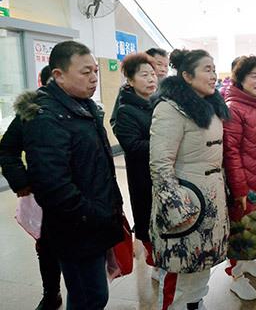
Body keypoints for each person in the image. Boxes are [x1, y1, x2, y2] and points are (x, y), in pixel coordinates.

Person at [22, 41, 124, 308]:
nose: (93, 78)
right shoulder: (46, 118)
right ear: (58, 75)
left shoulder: (83, 108)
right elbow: (52, 186)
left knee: (91, 294)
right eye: (85, 72)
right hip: (76, 227)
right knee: (89, 297)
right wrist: (93, 214)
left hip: (93, 222)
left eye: (95, 72)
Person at [149, 48, 230, 310]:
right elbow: (161, 164)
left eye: (214, 69)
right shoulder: (170, 109)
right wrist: (176, 207)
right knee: (179, 266)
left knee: (201, 262)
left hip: (211, 198)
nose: (213, 75)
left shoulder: (211, 105)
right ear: (186, 75)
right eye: (207, 69)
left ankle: (195, 303)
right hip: (185, 202)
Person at [0, 66, 62, 310]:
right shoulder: (30, 112)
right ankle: (51, 293)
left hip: (78, 193)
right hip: (43, 193)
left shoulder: (83, 109)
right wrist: (21, 181)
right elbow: (7, 149)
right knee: (46, 245)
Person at [222, 56, 256, 300]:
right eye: (253, 76)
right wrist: (239, 188)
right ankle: (236, 276)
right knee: (242, 231)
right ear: (241, 79)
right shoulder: (234, 107)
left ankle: (249, 262)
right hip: (245, 181)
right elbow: (230, 151)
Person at [112, 53, 158, 274]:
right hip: (143, 177)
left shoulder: (159, 103)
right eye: (144, 75)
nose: (151, 79)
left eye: (152, 74)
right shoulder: (125, 111)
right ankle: (155, 263)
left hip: (164, 175)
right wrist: (166, 143)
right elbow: (133, 146)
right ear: (130, 81)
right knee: (148, 219)